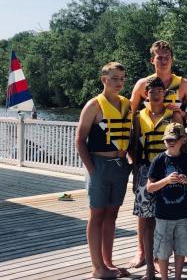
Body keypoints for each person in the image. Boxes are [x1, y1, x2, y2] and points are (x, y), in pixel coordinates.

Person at [129, 40, 187, 268]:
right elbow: (130, 117)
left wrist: (183, 114)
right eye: (158, 56)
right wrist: (131, 157)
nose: (163, 59)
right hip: (146, 161)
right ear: (152, 60)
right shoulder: (142, 84)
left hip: (172, 157)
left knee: (176, 205)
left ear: (172, 59)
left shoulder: (183, 84)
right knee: (145, 211)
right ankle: (141, 251)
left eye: (167, 55)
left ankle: (180, 252)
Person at [75, 62, 132, 279]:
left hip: (120, 167)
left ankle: (108, 263)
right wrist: (92, 169)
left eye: (122, 78)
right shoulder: (94, 105)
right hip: (99, 165)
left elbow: (131, 137)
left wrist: (130, 163)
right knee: (97, 214)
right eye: (115, 78)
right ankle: (97, 267)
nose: (119, 82)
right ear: (104, 79)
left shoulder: (126, 104)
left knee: (112, 215)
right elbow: (79, 140)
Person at [130, 77, 176, 279]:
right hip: (145, 171)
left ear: (164, 93)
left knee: (166, 219)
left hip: (168, 170)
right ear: (146, 95)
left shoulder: (173, 115)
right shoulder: (139, 116)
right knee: (147, 219)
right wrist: (134, 169)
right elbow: (134, 144)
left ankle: (161, 259)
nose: (155, 94)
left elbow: (180, 143)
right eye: (151, 91)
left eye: (159, 90)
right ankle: (149, 265)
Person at [146, 123, 187, 280]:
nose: (171, 142)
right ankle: (164, 278)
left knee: (182, 248)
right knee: (163, 249)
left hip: (183, 214)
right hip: (163, 215)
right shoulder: (159, 160)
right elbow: (149, 187)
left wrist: (186, 181)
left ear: (183, 140)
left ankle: (178, 277)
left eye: (174, 139)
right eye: (168, 140)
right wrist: (166, 180)